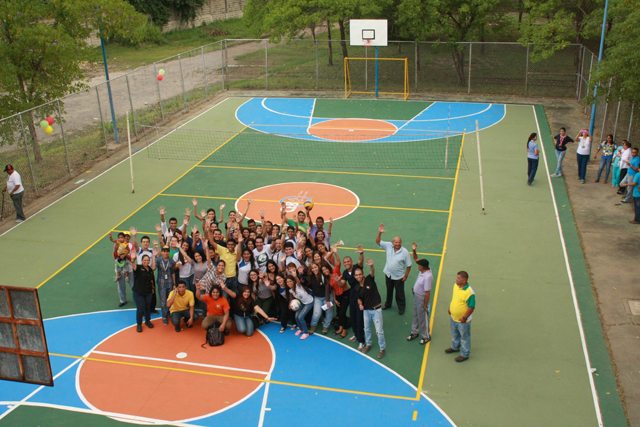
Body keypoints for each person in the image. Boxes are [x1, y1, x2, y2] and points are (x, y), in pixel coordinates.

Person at [376, 223, 412, 315]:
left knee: (400, 293)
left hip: (399, 277)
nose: (397, 244)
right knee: (389, 290)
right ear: (392, 242)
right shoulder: (388, 246)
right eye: (396, 242)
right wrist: (379, 233)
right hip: (388, 274)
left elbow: (409, 265)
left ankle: (401, 307)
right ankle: (388, 304)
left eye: (399, 242)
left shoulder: (405, 252)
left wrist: (406, 276)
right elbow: (378, 241)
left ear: (401, 243)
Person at [356, 258, 385, 359]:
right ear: (355, 277)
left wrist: (371, 265)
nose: (359, 276)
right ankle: (368, 344)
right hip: (366, 311)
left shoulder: (369, 279)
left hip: (376, 310)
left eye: (360, 274)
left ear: (363, 274)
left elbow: (372, 271)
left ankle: (382, 348)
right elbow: (359, 299)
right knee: (366, 329)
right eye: (357, 275)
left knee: (379, 331)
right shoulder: (357, 287)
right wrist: (360, 304)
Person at [445, 271, 476, 362]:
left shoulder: (469, 292)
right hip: (453, 317)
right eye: (457, 277)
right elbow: (454, 298)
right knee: (455, 334)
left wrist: (464, 318)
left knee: (464, 337)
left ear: (464, 280)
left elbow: (471, 307)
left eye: (458, 278)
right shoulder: (456, 286)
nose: (456, 279)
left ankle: (465, 354)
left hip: (463, 321)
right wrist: (450, 308)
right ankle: (455, 347)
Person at [407, 243, 432, 345]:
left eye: (418, 265)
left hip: (422, 298)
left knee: (423, 317)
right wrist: (414, 250)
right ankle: (414, 332)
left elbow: (427, 293)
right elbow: (416, 258)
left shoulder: (427, 277)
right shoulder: (423, 270)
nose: (417, 265)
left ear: (422, 267)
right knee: (416, 314)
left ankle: (426, 336)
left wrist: (425, 305)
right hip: (416, 296)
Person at [342, 246, 365, 349]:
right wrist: (338, 280)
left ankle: (362, 340)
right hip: (352, 295)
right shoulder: (345, 273)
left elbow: (361, 262)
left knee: (360, 318)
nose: (346, 263)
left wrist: (361, 253)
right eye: (345, 262)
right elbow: (342, 284)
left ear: (351, 262)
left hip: (360, 294)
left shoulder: (357, 267)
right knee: (353, 316)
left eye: (348, 261)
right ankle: (356, 334)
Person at [131, 252, 157, 333]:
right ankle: (139, 324)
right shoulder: (138, 268)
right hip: (138, 292)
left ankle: (147, 321)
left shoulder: (149, 269)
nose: (146, 262)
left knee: (147, 307)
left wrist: (153, 288)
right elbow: (133, 266)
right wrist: (132, 260)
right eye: (144, 260)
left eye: (147, 260)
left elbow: (151, 280)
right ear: (142, 261)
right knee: (140, 308)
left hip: (148, 292)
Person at [285, 273, 314, 340]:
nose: (289, 283)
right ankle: (301, 329)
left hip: (309, 302)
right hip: (303, 302)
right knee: (296, 316)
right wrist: (291, 304)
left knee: (301, 317)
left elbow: (298, 281)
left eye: (290, 281)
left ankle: (306, 333)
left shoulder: (298, 286)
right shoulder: (291, 290)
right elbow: (297, 298)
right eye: (287, 282)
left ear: (293, 281)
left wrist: (295, 276)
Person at [307, 262, 333, 335]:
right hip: (318, 298)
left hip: (327, 297)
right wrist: (300, 259)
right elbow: (305, 268)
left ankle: (326, 326)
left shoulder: (323, 276)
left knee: (328, 312)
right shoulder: (311, 276)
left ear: (318, 267)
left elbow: (327, 289)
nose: (314, 269)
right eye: (312, 268)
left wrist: (328, 300)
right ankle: (313, 326)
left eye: (315, 267)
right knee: (316, 313)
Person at [156, 245, 176, 325]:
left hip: (170, 283)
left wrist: (174, 283)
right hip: (161, 283)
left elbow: (173, 272)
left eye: (167, 251)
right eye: (164, 251)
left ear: (169, 252)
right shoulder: (158, 260)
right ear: (162, 252)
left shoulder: (171, 260)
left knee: (169, 300)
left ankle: (168, 313)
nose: (165, 253)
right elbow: (154, 268)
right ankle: (164, 317)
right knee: (163, 302)